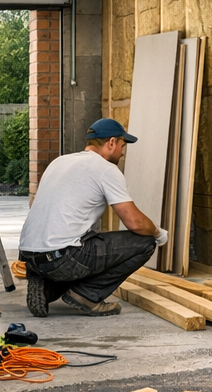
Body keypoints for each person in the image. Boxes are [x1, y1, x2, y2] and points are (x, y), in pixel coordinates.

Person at [17, 118, 167, 317]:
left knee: (85, 240)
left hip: (30, 257)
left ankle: (45, 287)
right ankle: (86, 295)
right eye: (122, 145)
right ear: (111, 142)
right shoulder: (106, 169)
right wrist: (158, 232)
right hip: (62, 259)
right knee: (145, 241)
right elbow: (134, 223)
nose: (122, 153)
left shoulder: (60, 161)